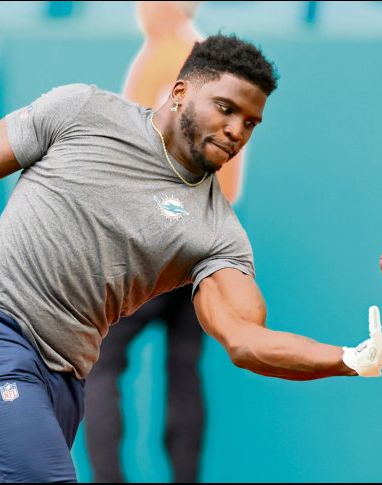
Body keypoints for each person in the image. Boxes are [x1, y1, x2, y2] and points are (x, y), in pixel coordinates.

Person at [0, 34, 382, 483]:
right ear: (180, 93)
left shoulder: (216, 232)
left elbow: (246, 339)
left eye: (251, 122)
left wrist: (351, 358)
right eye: (226, 108)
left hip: (61, 383)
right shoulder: (82, 112)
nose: (236, 130)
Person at [85, 3, 231, 482]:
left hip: (156, 237)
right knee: (184, 368)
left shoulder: (172, 59)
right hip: (207, 239)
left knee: (100, 364)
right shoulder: (213, 61)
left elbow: (144, 155)